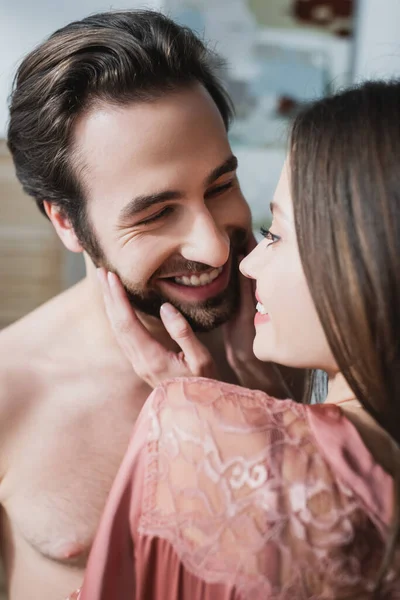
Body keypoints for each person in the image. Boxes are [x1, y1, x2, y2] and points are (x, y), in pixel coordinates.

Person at [1, 9, 304, 600]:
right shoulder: (10, 388)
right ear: (66, 221)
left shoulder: (298, 339)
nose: (215, 246)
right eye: (156, 213)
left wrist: (266, 418)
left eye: (221, 186)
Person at [74, 80, 400, 599]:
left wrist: (220, 427)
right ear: (69, 224)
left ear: (372, 256)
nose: (233, 257)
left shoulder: (193, 423)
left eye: (276, 233)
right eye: (157, 213)